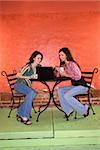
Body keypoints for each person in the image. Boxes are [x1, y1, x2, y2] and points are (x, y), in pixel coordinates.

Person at [55, 47, 90, 119]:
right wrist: (57, 71)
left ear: (66, 55)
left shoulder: (72, 64)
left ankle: (84, 110)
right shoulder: (64, 65)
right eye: (59, 55)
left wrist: (66, 75)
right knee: (60, 90)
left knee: (67, 96)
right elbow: (61, 75)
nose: (60, 57)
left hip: (82, 86)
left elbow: (78, 77)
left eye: (62, 55)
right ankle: (68, 111)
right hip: (75, 86)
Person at [14, 51, 43, 125]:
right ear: (33, 58)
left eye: (40, 58)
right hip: (19, 85)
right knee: (31, 92)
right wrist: (29, 77)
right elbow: (17, 75)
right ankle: (25, 116)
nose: (39, 59)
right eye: (38, 58)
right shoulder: (28, 66)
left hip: (26, 87)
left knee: (34, 93)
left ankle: (19, 112)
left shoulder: (38, 67)